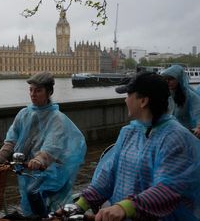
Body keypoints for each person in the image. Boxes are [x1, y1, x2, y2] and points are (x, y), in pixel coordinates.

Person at [67, 72, 200, 220]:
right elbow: (108, 174)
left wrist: (125, 207)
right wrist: (80, 204)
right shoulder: (129, 132)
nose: (125, 100)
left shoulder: (175, 138)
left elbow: (169, 189)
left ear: (143, 101)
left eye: (128, 95)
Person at [0, 71, 87, 219]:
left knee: (33, 192)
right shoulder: (24, 114)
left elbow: (53, 145)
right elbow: (12, 138)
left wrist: (40, 159)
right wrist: (0, 157)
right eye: (31, 90)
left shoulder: (57, 119)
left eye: (38, 90)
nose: (33, 94)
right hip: (28, 167)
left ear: (49, 92)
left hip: (51, 168)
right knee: (28, 201)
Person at [160, 64, 200, 137]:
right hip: (166, 131)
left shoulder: (189, 95)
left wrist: (198, 127)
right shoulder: (163, 93)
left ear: (179, 79)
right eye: (165, 79)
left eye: (171, 79)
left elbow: (198, 111)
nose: (167, 81)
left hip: (184, 132)